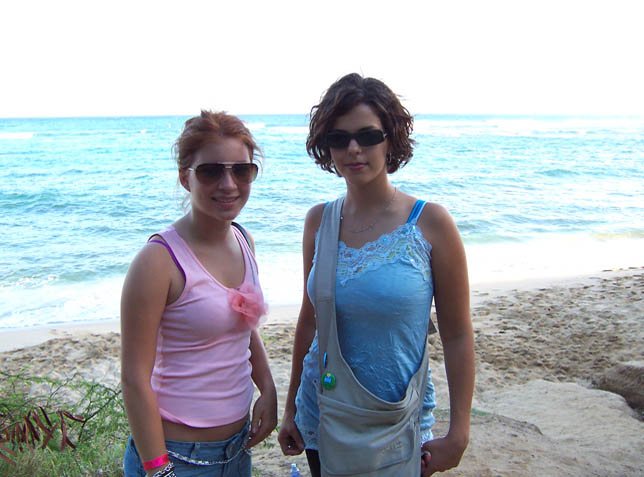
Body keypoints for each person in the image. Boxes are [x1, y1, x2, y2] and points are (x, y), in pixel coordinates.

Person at [277, 74, 474, 476]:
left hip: (396, 419)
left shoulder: (431, 223)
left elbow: (457, 334)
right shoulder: (319, 222)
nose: (353, 148)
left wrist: (459, 433)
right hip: (324, 414)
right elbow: (310, 319)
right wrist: (291, 407)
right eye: (339, 138)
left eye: (367, 136)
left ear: (390, 140)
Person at [121, 111, 277, 477]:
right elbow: (134, 378)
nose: (229, 184)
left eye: (241, 170)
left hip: (237, 451)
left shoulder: (244, 240)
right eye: (211, 171)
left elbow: (242, 328)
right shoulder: (158, 262)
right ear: (185, 178)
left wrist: (268, 387)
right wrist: (158, 469)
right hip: (176, 456)